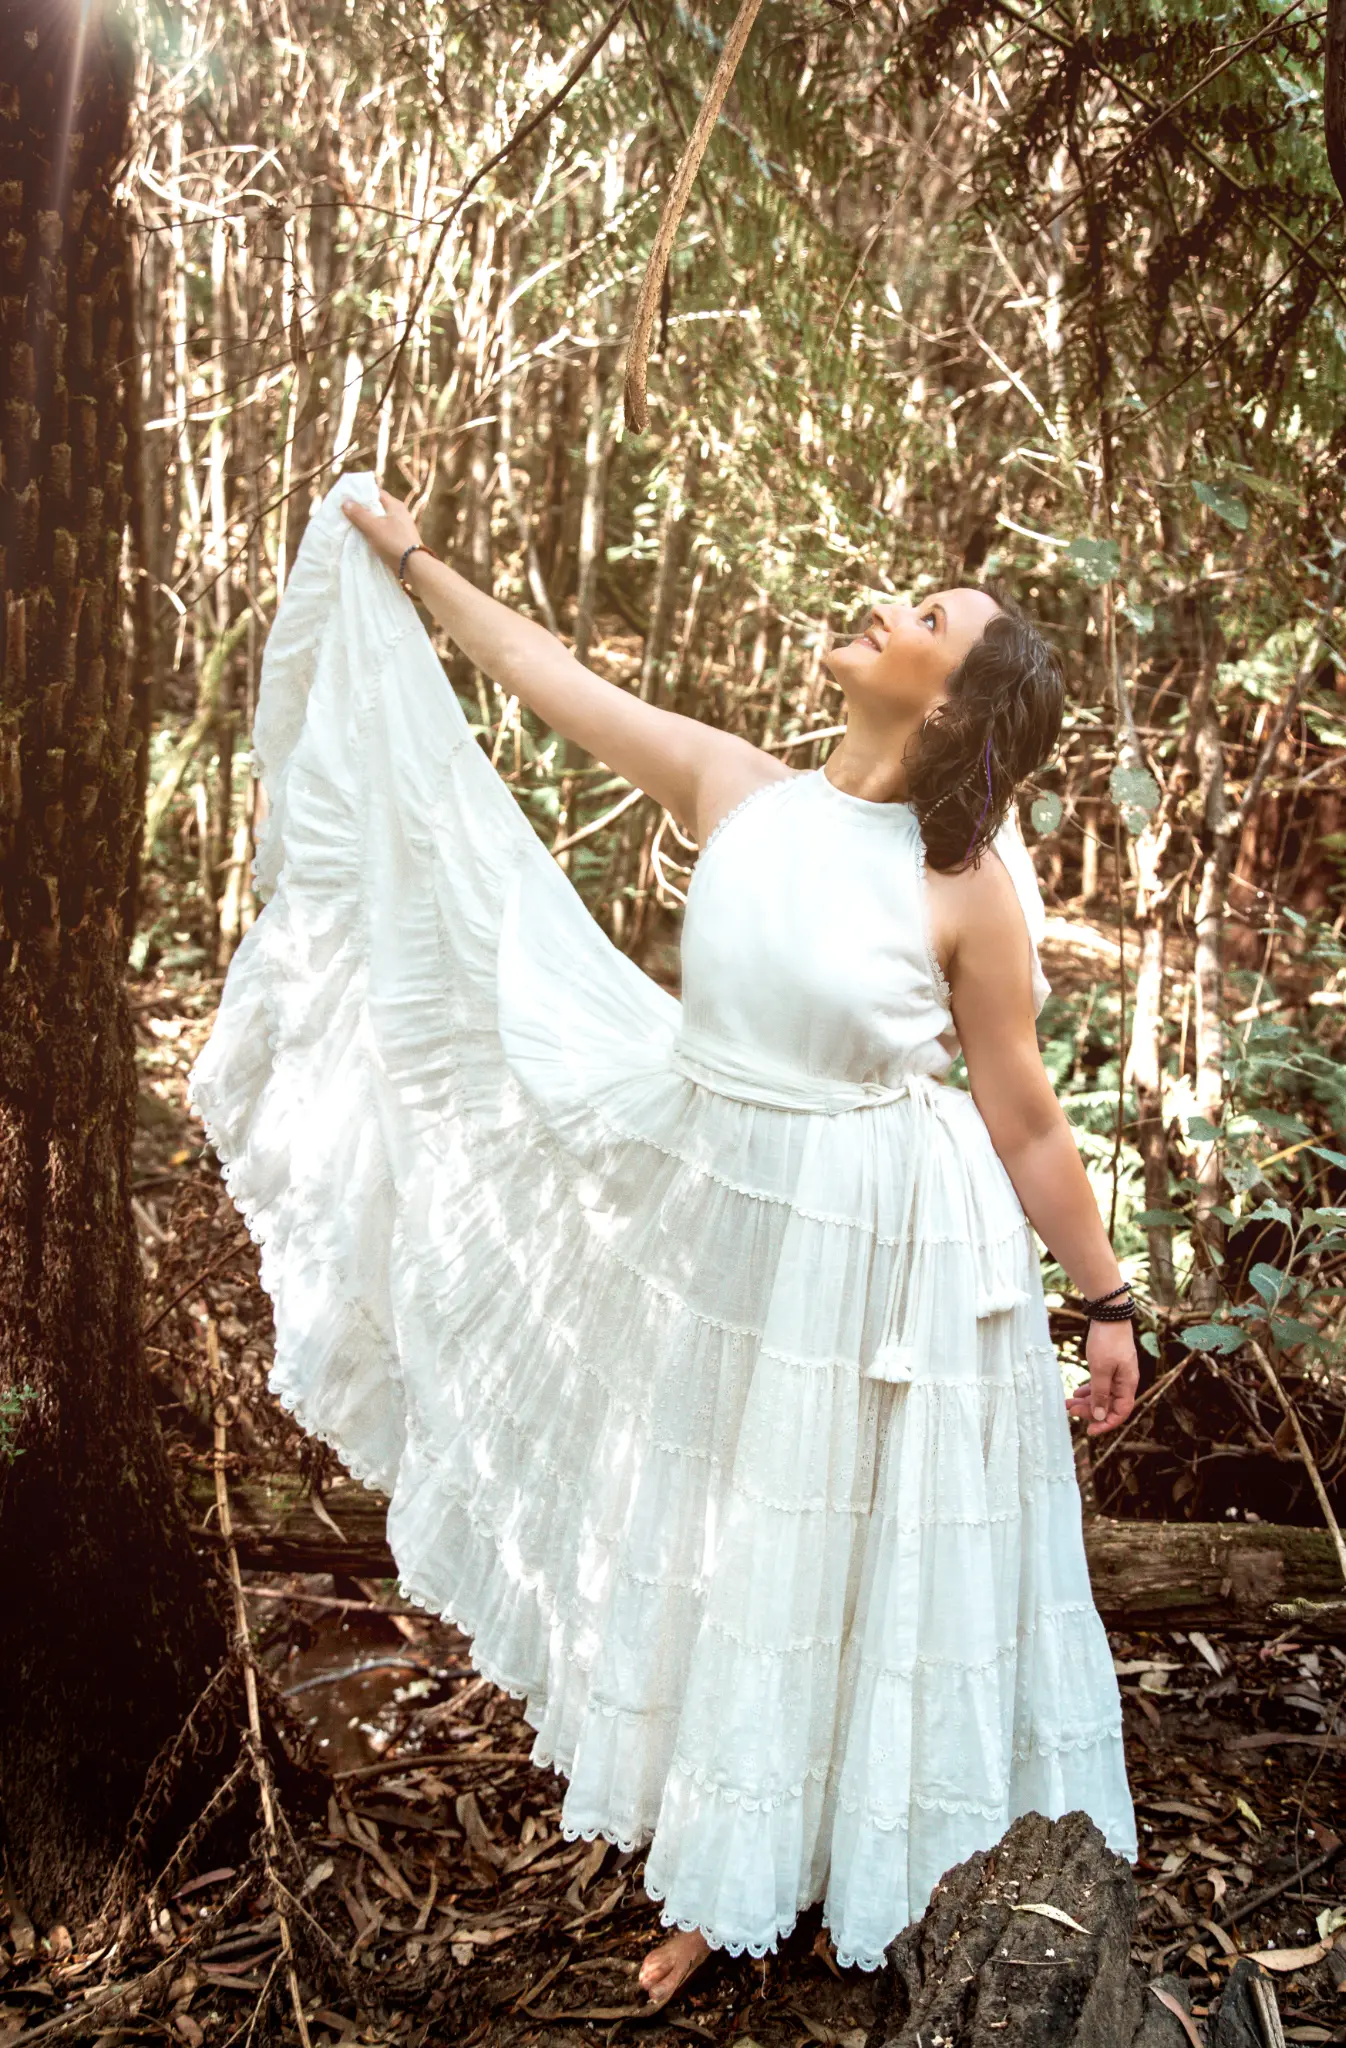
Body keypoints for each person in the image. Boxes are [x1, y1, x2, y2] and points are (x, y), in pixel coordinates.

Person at [190, 472, 1139, 2011]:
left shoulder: (965, 890)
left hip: (878, 1246)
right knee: (724, 1537)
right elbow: (544, 675)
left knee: (849, 1544)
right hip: (715, 1208)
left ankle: (862, 1865)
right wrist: (412, 558)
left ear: (950, 703)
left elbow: (1021, 1116)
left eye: (925, 616)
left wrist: (1104, 1302)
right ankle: (728, 1867)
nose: (884, 605)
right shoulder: (736, 788)